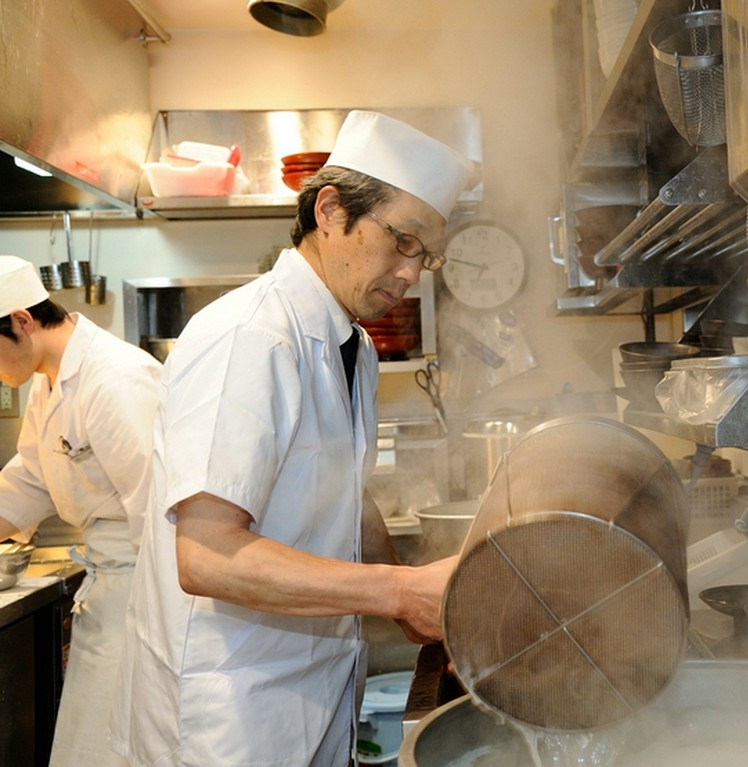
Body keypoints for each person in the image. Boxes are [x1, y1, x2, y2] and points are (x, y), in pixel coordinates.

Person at [111, 111, 477, 767]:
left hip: (315, 688)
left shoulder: (355, 348)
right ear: (330, 210)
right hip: (228, 715)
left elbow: (350, 497)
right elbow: (207, 556)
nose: (411, 274)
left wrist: (413, 607)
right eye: (402, 240)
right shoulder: (249, 337)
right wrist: (399, 589)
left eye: (425, 254)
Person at [0, 256, 161, 767]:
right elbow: (28, 485)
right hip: (109, 600)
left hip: (146, 604)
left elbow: (161, 517)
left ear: (22, 321)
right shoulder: (49, 384)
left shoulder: (116, 380)